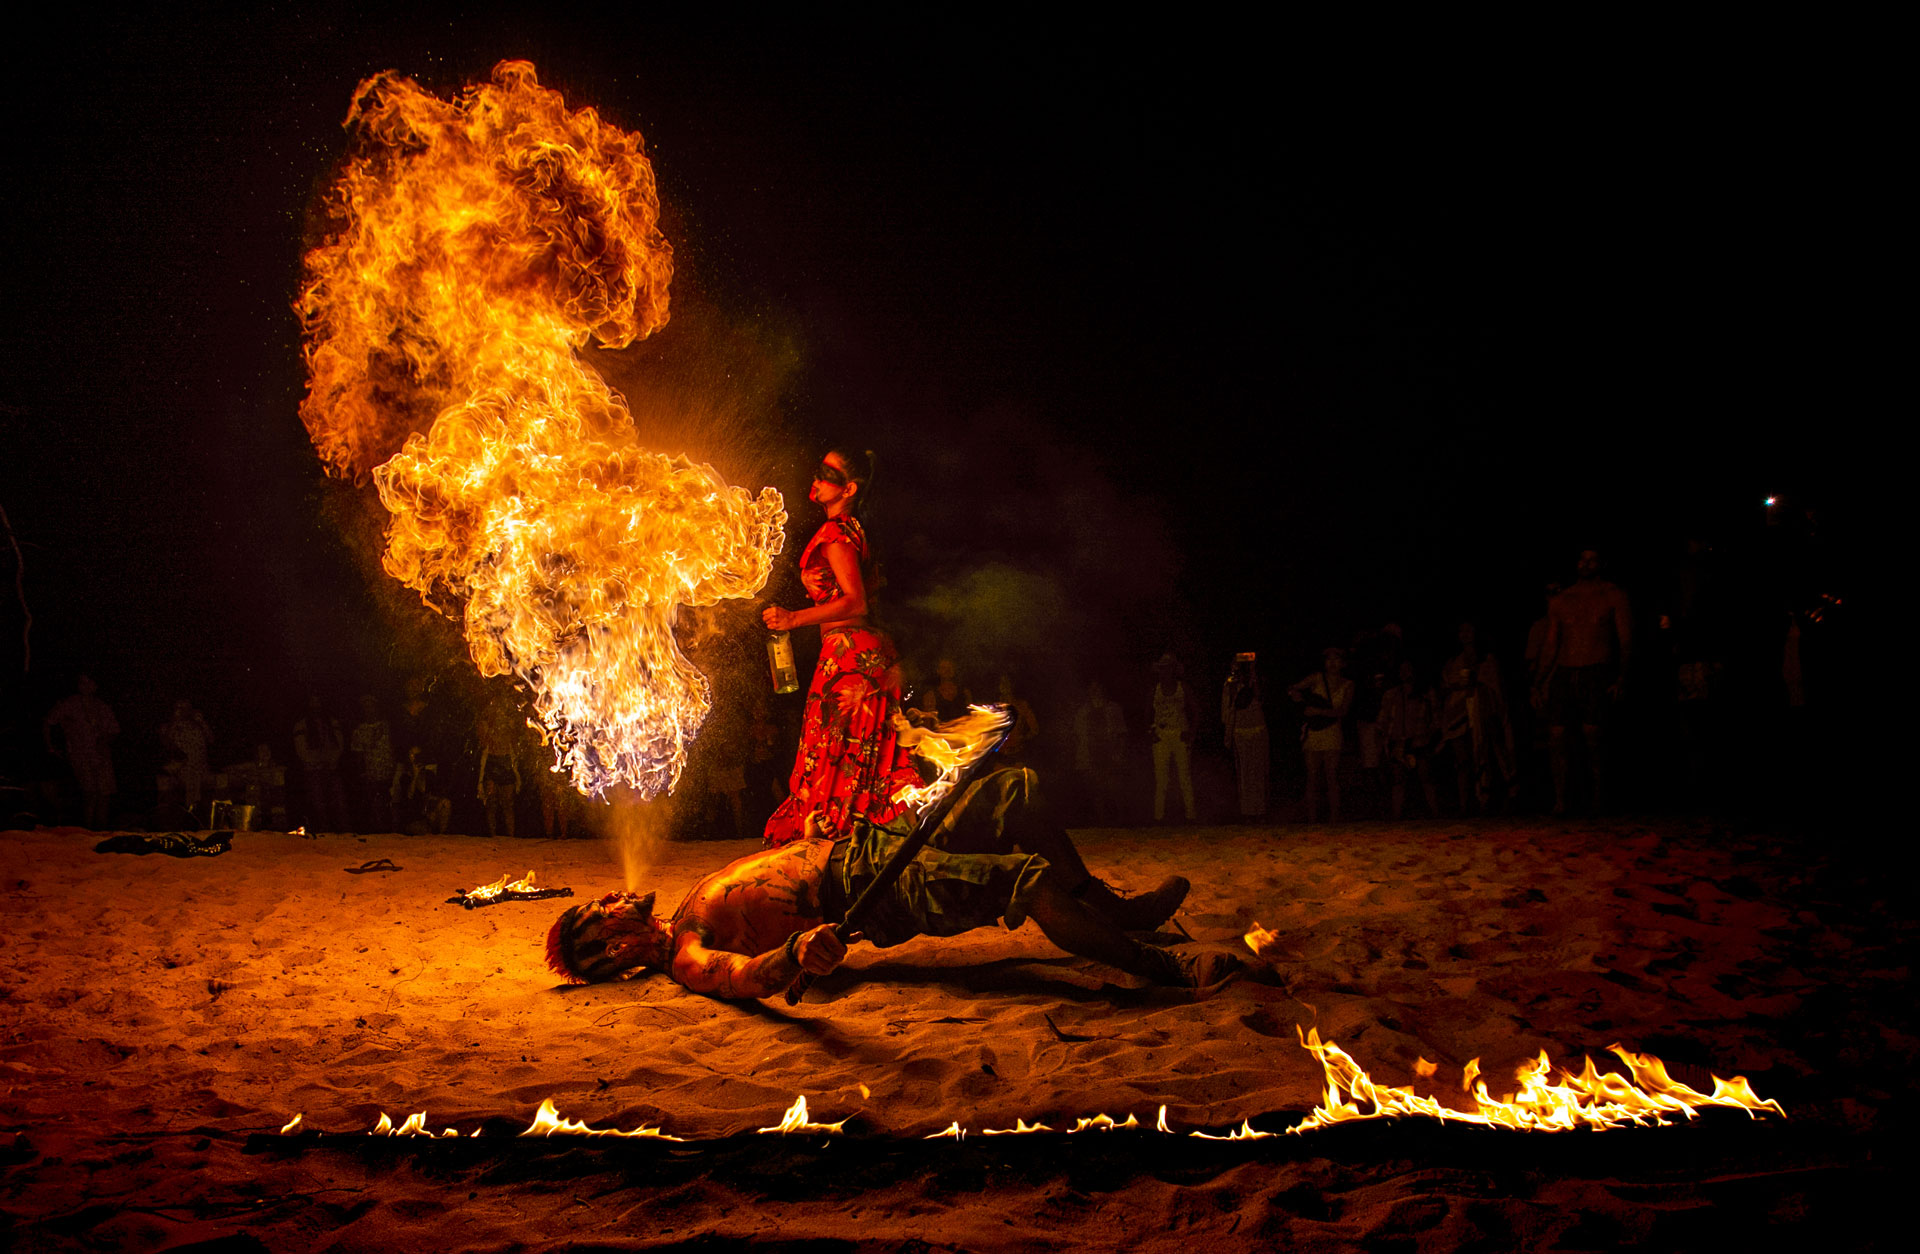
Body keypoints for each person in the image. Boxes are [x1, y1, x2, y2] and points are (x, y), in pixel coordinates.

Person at [544, 766, 1241, 996]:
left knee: (1015, 793)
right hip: (873, 894)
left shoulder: (687, 904)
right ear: (612, 949)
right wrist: (796, 954)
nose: (610, 898)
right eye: (597, 912)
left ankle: (1115, 914)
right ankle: (1162, 968)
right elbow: (742, 976)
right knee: (1024, 885)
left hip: (868, 845)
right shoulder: (687, 953)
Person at [759, 449, 924, 847]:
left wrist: (792, 619)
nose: (815, 477)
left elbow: (855, 602)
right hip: (860, 654)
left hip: (851, 655)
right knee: (858, 756)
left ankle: (843, 841)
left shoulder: (837, 534)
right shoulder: (851, 530)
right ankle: (870, 839)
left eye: (826, 473)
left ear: (848, 488)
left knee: (840, 754)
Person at [1532, 549, 1632, 814]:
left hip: (1596, 670)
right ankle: (1561, 801)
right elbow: (1551, 645)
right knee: (1556, 736)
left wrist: (1622, 676)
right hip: (1565, 671)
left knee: (1593, 736)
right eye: (1581, 559)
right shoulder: (1562, 600)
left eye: (1592, 559)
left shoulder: (1613, 595)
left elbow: (1625, 640)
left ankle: (1599, 797)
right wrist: (1539, 681)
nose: (1585, 564)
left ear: (1602, 563)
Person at [1438, 622, 1518, 814]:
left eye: (1469, 630)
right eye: (1462, 631)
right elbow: (1444, 687)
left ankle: (1498, 799)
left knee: (1489, 754)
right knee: (1463, 760)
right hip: (1459, 713)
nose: (1465, 634)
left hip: (1484, 711)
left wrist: (1478, 685)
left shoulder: (1487, 660)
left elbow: (1496, 687)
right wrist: (1456, 686)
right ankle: (1465, 804)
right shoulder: (1453, 661)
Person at [43, 675, 119, 829]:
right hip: (80, 754)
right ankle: (87, 829)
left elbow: (114, 730)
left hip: (101, 756)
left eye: (88, 682)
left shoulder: (102, 707)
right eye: (81, 682)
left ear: (95, 686)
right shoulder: (70, 704)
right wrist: (50, 746)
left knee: (104, 794)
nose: (84, 686)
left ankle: (100, 830)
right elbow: (48, 722)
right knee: (89, 792)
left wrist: (105, 740)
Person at [1289, 647, 1353, 824]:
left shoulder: (1348, 684)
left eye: (1336, 659)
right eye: (1329, 659)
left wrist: (1318, 710)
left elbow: (1343, 711)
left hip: (1332, 731)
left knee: (1331, 775)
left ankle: (1334, 818)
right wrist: (1298, 699)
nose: (1332, 663)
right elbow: (1293, 688)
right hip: (1315, 731)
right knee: (1312, 776)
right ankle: (1312, 818)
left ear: (1343, 663)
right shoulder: (1317, 678)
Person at [1379, 661, 1440, 818]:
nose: (1405, 673)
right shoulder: (1391, 694)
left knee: (1426, 777)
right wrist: (1386, 741)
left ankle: (1435, 813)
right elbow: (1383, 720)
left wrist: (1428, 736)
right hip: (1398, 742)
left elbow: (1436, 718)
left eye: (1409, 669)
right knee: (1398, 780)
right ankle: (1396, 816)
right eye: (1402, 670)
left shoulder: (1426, 693)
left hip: (1420, 742)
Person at [1148, 653, 1200, 822]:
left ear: (1174, 670)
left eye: (1169, 667)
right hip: (1161, 735)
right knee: (1161, 778)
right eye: (1163, 668)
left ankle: (1190, 816)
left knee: (1184, 777)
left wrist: (1191, 732)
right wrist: (1151, 732)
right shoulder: (1155, 689)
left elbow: (1195, 711)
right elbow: (1146, 713)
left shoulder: (1182, 688)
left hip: (1180, 734)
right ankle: (1159, 817)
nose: (1166, 671)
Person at [1071, 680, 1128, 824]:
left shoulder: (1113, 709)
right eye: (1093, 688)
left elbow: (1122, 733)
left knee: (1115, 789)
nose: (1096, 691)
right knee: (1096, 791)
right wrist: (1080, 756)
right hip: (1091, 754)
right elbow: (1077, 736)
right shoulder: (1083, 711)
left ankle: (1121, 820)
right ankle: (1101, 822)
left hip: (1110, 753)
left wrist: (1119, 753)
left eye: (1098, 688)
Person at [1220, 653, 1269, 819]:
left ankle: (1260, 810)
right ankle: (1247, 811)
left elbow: (1261, 698)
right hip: (1240, 731)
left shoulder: (1257, 680)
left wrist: (1253, 674)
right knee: (1244, 773)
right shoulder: (1231, 683)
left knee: (1258, 771)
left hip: (1257, 729)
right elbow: (1226, 711)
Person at [293, 696, 349, 833]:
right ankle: (323, 830)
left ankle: (342, 831)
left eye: (318, 702)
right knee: (318, 804)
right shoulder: (302, 725)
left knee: (338, 802)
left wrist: (331, 760)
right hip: (313, 770)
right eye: (313, 702)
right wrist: (315, 762)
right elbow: (301, 749)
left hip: (331, 768)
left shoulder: (331, 723)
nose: (316, 705)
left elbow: (339, 744)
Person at [159, 698, 215, 818]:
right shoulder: (169, 727)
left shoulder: (197, 725)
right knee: (190, 775)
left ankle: (196, 812)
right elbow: (165, 744)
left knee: (196, 775)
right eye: (179, 708)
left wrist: (202, 723)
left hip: (200, 766)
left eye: (185, 708)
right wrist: (174, 723)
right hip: (180, 767)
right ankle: (191, 811)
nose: (182, 711)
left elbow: (211, 740)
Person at [475, 703, 523, 838]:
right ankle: (493, 835)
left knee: (508, 804)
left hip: (505, 764)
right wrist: (480, 780)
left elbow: (513, 752)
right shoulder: (489, 730)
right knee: (491, 802)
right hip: (492, 763)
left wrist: (517, 776)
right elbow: (484, 752)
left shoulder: (509, 730)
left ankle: (511, 835)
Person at [349, 695, 394, 833]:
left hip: (389, 772)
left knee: (390, 802)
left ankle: (390, 829)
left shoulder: (387, 726)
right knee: (374, 802)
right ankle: (377, 829)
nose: (369, 709)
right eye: (366, 706)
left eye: (372, 706)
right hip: (372, 773)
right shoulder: (359, 730)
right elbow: (357, 754)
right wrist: (362, 772)